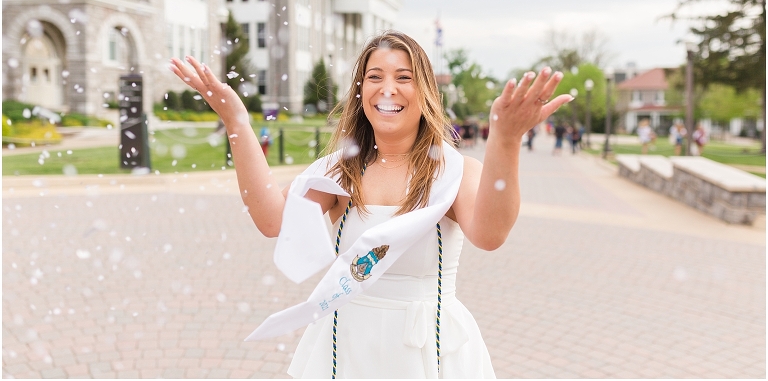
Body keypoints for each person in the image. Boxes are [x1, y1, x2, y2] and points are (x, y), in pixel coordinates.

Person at [169, 31, 571, 378]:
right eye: (374, 77)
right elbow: (273, 220)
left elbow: (490, 233)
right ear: (360, 91)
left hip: (424, 351)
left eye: (404, 77)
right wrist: (237, 122)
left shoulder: (454, 171)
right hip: (347, 345)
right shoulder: (337, 171)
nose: (387, 89)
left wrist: (506, 139)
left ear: (426, 91)